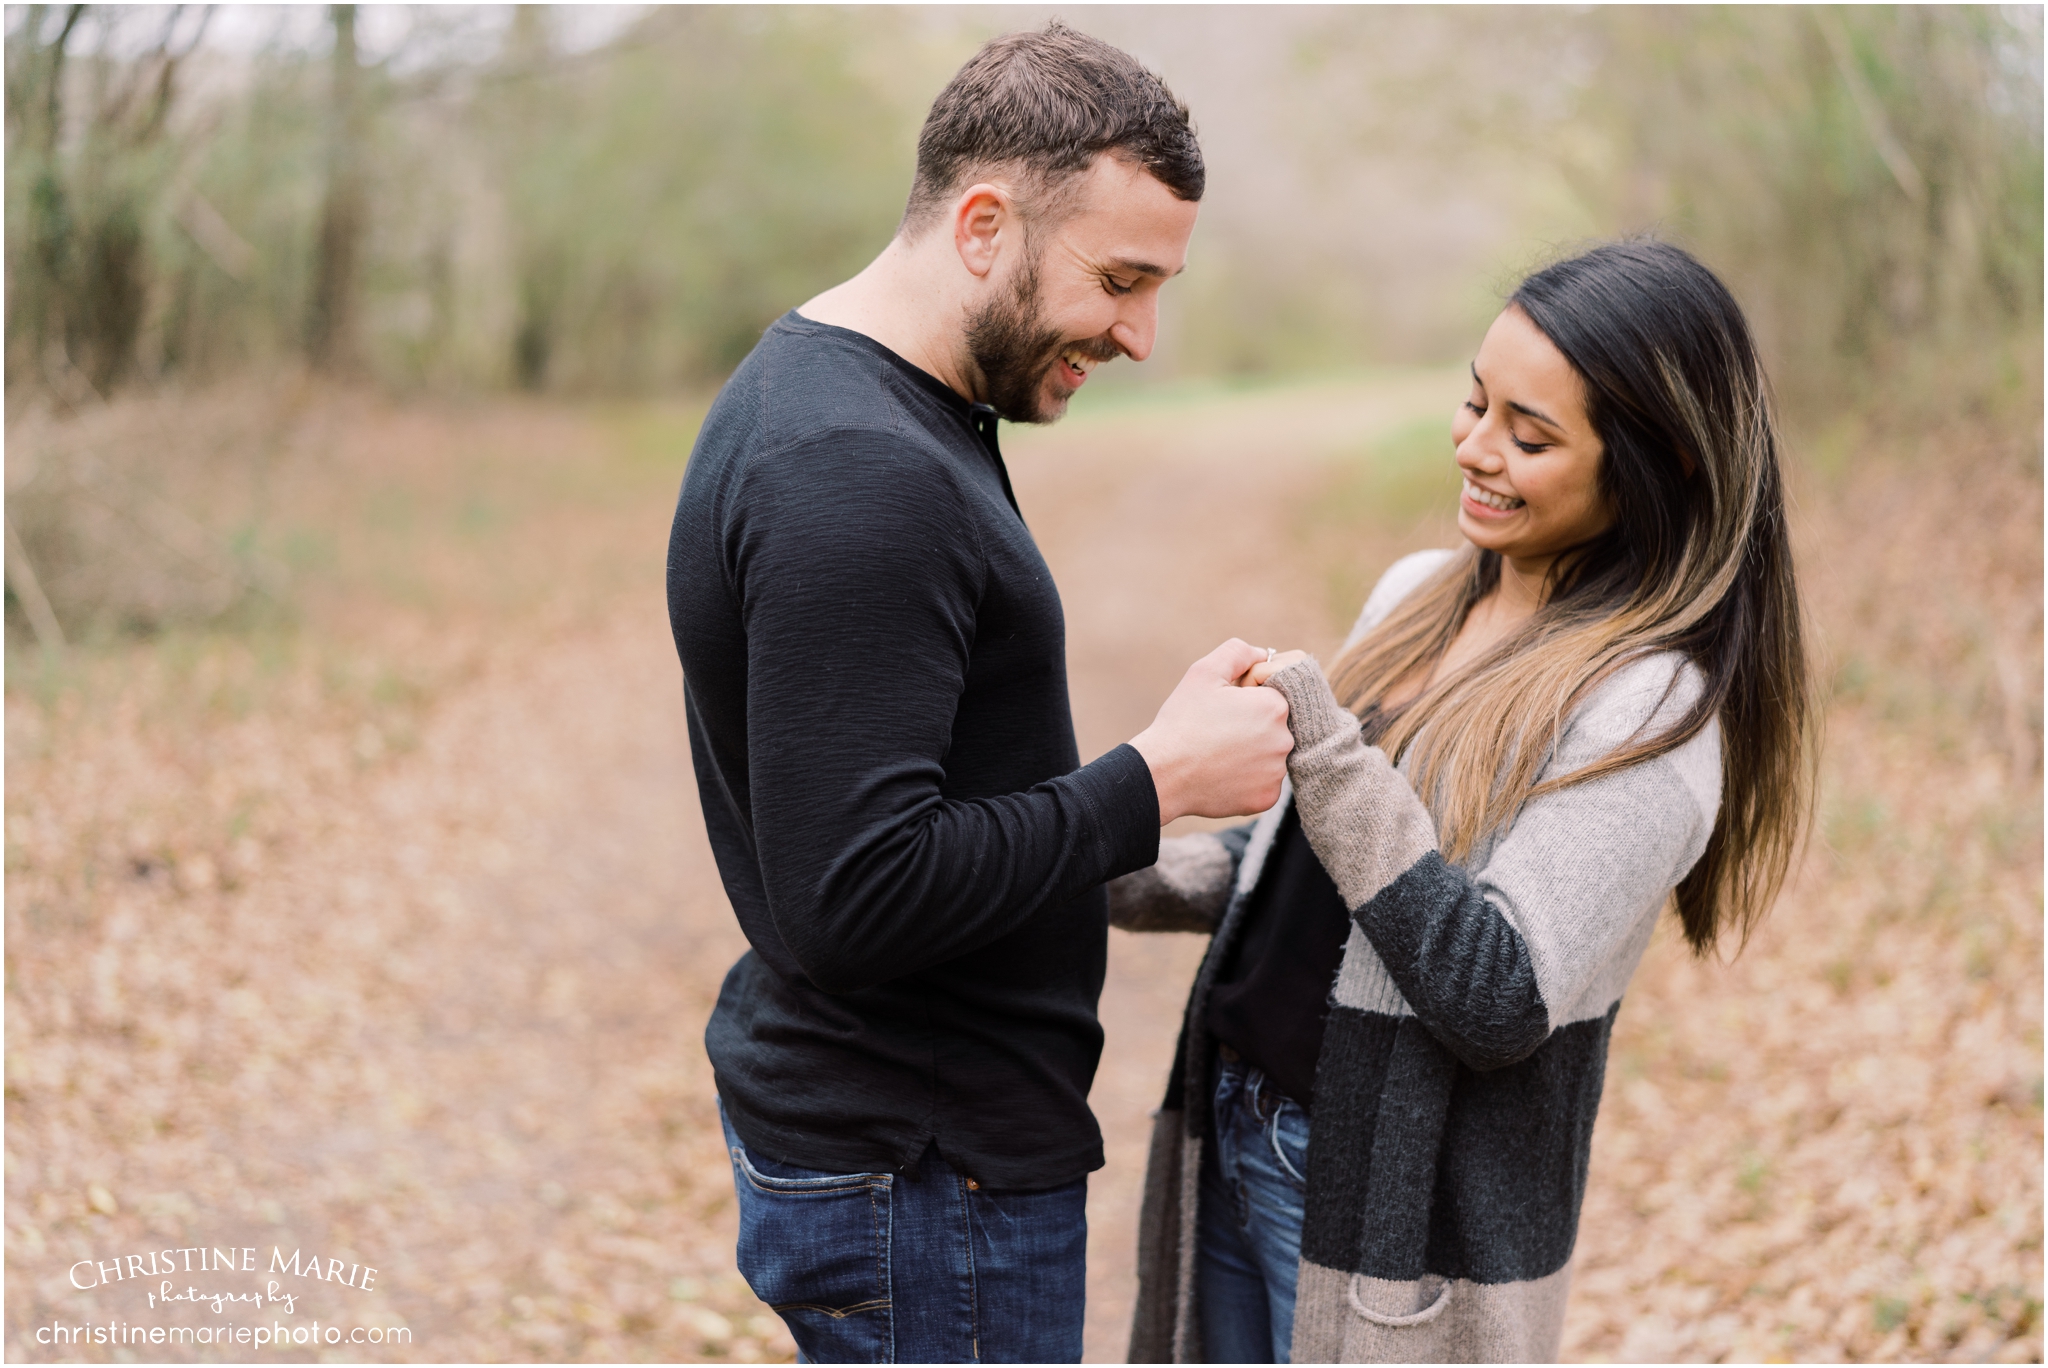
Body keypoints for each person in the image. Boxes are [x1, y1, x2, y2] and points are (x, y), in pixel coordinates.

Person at [665, 23, 1294, 1365]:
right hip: (924, 1172)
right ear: (985, 223)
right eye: (1119, 279)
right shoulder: (856, 471)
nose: (1140, 331)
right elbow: (856, 893)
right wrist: (1156, 782)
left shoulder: (877, 406)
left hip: (919, 1154)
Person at [1113, 240, 1815, 1363]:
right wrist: (1111, 857)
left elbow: (1496, 990)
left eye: (1528, 435)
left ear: (1661, 461)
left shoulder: (1647, 709)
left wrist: (1325, 746)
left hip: (1378, 1205)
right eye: (1474, 402)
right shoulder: (1419, 592)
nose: (1474, 448)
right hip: (1229, 1114)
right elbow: (1314, 866)